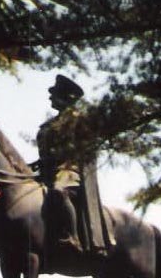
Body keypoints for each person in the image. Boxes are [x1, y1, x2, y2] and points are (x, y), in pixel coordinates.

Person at [36, 74, 115, 255]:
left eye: (54, 94)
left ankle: (72, 236)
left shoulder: (80, 121)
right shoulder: (48, 125)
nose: (50, 97)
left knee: (58, 190)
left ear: (67, 97)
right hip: (48, 170)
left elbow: (85, 149)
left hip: (69, 171)